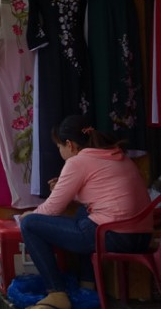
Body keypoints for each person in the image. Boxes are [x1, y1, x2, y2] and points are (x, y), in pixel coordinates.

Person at [19, 115, 152, 309]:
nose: (60, 151)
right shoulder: (115, 154)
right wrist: (63, 188)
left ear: (69, 144)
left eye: (59, 147)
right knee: (84, 213)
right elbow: (100, 193)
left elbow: (51, 209)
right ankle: (87, 284)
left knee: (30, 225)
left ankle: (57, 294)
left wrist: (28, 216)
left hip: (115, 236)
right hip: (142, 236)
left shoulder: (78, 162)